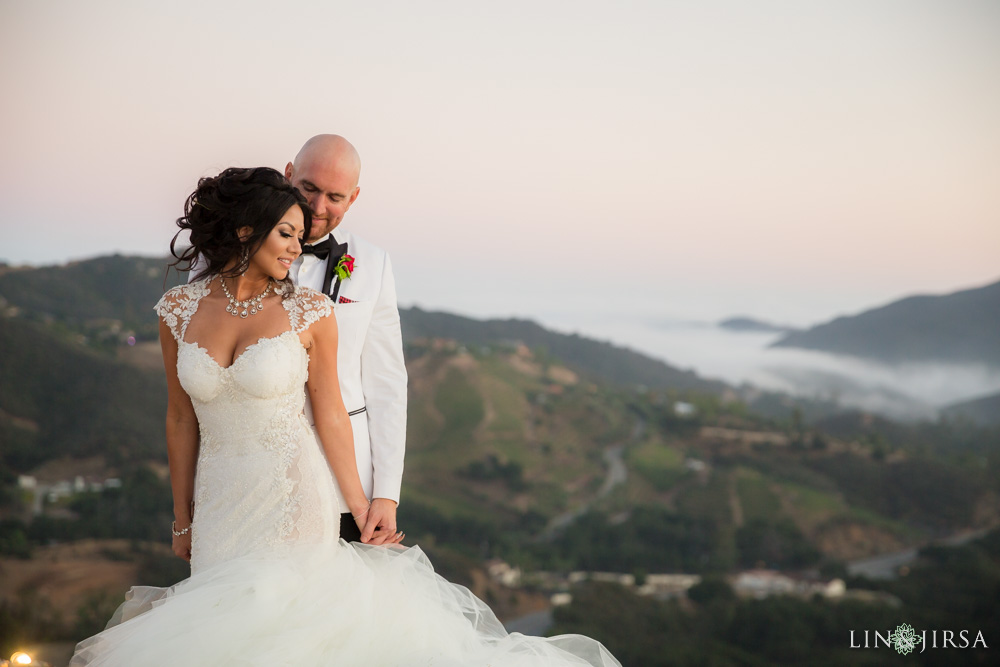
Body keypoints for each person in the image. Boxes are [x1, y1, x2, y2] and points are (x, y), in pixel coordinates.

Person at [70, 166, 620, 666]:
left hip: (293, 494)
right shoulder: (177, 310)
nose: (296, 245)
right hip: (218, 504)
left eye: (300, 232)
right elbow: (179, 419)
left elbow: (332, 411)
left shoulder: (311, 311)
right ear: (243, 231)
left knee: (283, 629)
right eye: (285, 232)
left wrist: (364, 506)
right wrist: (182, 516)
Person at [188, 134, 407, 546]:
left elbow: (388, 384)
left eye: (335, 197)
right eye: (308, 188)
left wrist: (386, 493)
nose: (318, 208)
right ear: (289, 174)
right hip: (245, 478)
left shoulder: (374, 265)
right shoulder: (218, 255)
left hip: (346, 488)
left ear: (353, 198)